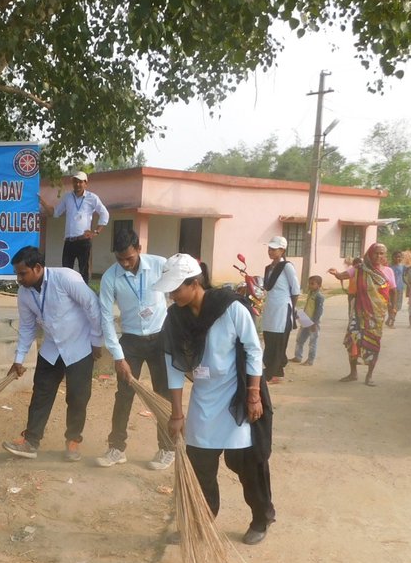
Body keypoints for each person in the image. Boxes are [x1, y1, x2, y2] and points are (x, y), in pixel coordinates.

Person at [157, 254, 274, 546]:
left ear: (195, 283)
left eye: (176, 289)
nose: (172, 295)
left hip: (239, 397)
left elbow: (253, 350)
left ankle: (261, 517)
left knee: (249, 465)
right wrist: (176, 413)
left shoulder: (231, 308)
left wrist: (254, 395)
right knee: (200, 469)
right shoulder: (176, 318)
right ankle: (202, 521)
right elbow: (173, 366)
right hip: (204, 400)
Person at [2, 245, 104, 461]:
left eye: (22, 273)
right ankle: (30, 441)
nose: (18, 279)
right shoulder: (24, 294)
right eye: (17, 274)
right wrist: (19, 359)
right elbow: (28, 328)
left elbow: (92, 305)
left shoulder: (66, 278)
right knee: (41, 394)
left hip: (80, 346)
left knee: (78, 397)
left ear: (37, 268)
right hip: (51, 349)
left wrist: (96, 340)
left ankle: (73, 441)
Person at [94, 228, 174, 470]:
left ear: (139, 249)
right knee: (124, 395)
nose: (125, 264)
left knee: (164, 394)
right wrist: (118, 357)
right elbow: (106, 318)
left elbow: (182, 286)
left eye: (129, 258)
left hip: (160, 338)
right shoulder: (110, 277)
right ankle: (117, 448)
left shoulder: (160, 264)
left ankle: (167, 448)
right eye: (120, 259)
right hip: (130, 341)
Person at [329, 243, 397, 386]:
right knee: (353, 339)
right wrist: (335, 273)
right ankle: (353, 373)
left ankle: (369, 375)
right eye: (376, 253)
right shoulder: (359, 269)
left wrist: (393, 308)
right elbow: (343, 275)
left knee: (373, 343)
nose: (379, 256)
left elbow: (393, 291)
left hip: (376, 315)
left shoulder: (388, 271)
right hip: (359, 312)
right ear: (370, 254)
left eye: (382, 253)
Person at [52, 171, 109, 283]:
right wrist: (42, 203)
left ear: (85, 183)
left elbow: (104, 213)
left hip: (84, 241)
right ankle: (67, 296)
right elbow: (56, 213)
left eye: (80, 182)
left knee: (84, 272)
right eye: (75, 182)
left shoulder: (92, 198)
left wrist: (96, 232)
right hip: (69, 241)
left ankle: (84, 297)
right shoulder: (67, 197)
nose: (77, 184)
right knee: (66, 272)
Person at [260, 236, 299, 383]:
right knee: (269, 337)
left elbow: (295, 289)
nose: (270, 251)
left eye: (273, 249)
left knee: (278, 340)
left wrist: (292, 308)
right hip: (271, 307)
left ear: (282, 250)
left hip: (282, 308)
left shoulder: (287, 266)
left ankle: (274, 372)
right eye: (269, 249)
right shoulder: (269, 268)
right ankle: (273, 370)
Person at [290, 275, 325, 365]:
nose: (310, 285)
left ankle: (310, 360)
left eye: (312, 284)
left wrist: (314, 323)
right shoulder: (310, 293)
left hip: (313, 322)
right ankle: (298, 356)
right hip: (305, 319)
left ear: (319, 285)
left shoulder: (319, 296)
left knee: (312, 342)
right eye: (309, 283)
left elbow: (318, 311)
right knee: (300, 339)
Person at [388, 251, 407, 326]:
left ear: (402, 258)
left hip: (399, 288)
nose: (397, 258)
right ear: (392, 257)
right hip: (390, 288)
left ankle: (391, 320)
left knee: (397, 305)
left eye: (399, 257)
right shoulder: (389, 267)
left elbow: (403, 277)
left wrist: (408, 285)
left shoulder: (403, 267)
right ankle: (390, 319)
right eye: (396, 257)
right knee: (390, 304)